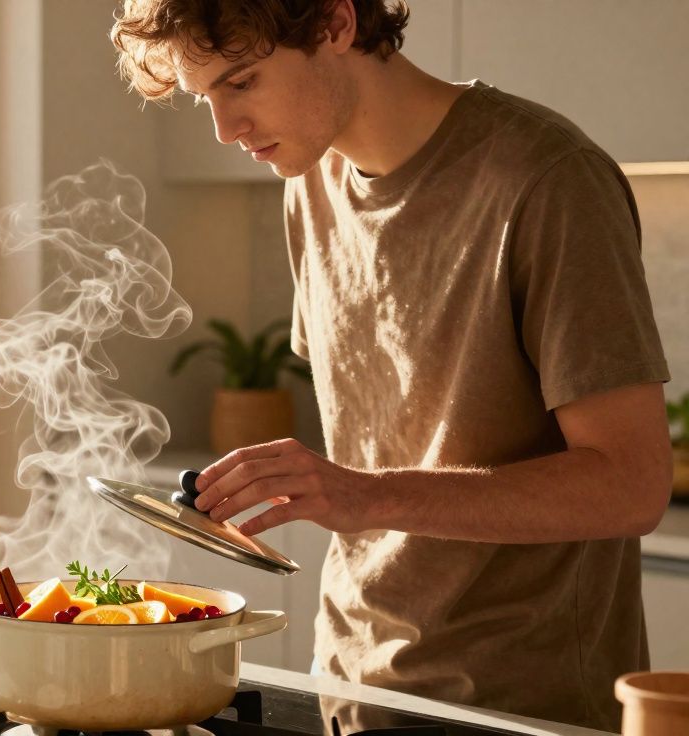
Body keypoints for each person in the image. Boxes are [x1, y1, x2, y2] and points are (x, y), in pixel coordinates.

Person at [112, 1, 671, 730]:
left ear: (336, 24)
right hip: (350, 684)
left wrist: (366, 495)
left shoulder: (546, 179)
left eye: (242, 82)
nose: (226, 130)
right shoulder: (306, 184)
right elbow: (383, 429)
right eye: (204, 97)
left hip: (518, 705)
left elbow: (632, 483)